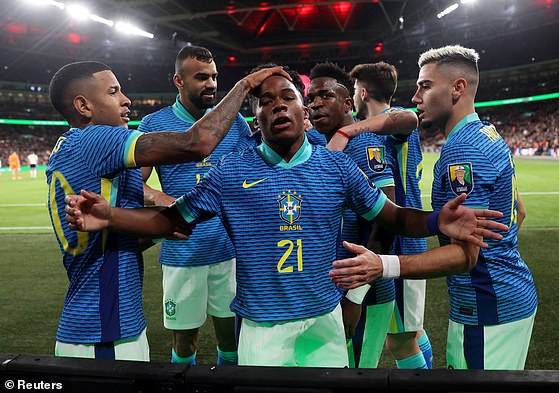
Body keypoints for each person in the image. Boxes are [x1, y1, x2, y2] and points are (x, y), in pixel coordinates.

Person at [64, 69, 508, 367]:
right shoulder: (231, 172)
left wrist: (437, 223)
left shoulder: (335, 166)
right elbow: (169, 223)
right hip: (261, 331)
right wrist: (111, 217)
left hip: (324, 323)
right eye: (266, 101)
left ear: (303, 111)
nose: (278, 105)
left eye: (288, 97)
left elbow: (392, 217)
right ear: (255, 118)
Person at [46, 60, 288, 361]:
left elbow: (133, 234)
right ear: (83, 105)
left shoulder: (69, 149)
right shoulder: (93, 139)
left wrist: (174, 218)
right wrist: (245, 85)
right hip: (102, 330)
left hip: (104, 324)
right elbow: (196, 143)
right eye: (113, 92)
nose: (126, 100)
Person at [409, 44, 537, 370]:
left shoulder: (460, 151)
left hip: (486, 309)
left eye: (425, 86)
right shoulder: (488, 134)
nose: (415, 97)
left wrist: (384, 266)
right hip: (510, 295)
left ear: (458, 87)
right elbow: (518, 211)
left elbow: (466, 255)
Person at [138, 45, 249, 366]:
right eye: (201, 77)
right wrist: (162, 199)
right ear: (179, 81)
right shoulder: (154, 124)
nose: (211, 84)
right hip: (181, 252)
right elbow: (135, 182)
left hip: (227, 251)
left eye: (214, 77)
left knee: (231, 339)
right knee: (185, 341)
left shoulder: (235, 123)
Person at [306, 61, 409, 368]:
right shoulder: (324, 145)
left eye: (326, 95)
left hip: (366, 293)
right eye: (311, 98)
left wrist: (355, 297)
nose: (316, 104)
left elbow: (388, 222)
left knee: (357, 377)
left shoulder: (362, 145)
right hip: (338, 285)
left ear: (349, 102)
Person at [348, 61, 432, 369]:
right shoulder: (391, 126)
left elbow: (408, 118)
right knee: (409, 330)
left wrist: (351, 128)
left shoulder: (382, 130)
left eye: (355, 91)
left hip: (398, 240)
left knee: (401, 338)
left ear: (364, 92)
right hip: (407, 237)